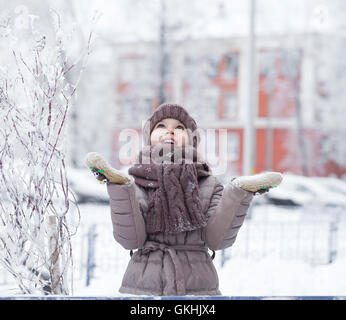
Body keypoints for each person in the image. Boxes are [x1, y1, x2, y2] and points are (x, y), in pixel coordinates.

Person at [85, 103, 282, 296]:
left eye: (179, 127)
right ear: (149, 137)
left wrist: (238, 194)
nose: (170, 131)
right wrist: (120, 188)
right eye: (161, 126)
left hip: (197, 288)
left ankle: (240, 186)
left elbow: (216, 240)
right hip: (144, 287)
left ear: (191, 139)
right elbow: (131, 239)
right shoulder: (136, 182)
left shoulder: (208, 184)